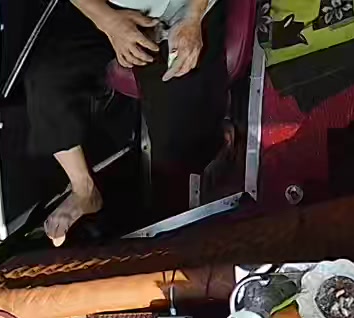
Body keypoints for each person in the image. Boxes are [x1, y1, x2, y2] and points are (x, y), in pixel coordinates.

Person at [25, 0, 230, 245]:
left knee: (182, 146)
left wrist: (193, 18)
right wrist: (109, 21)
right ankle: (84, 190)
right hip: (109, 7)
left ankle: (219, 147)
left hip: (182, 11)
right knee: (46, 80)